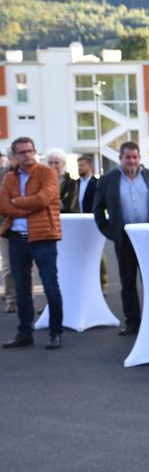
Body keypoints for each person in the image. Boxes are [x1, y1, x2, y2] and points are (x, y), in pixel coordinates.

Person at [0, 137, 63, 350]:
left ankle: (55, 333)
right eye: (22, 152)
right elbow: (3, 206)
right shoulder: (9, 178)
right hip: (17, 238)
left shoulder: (48, 173)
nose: (27, 155)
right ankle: (24, 332)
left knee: (50, 287)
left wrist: (17, 202)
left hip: (43, 237)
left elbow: (44, 199)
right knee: (21, 289)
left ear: (35, 152)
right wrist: (26, 207)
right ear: (15, 156)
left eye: (30, 151)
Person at [93, 141, 149, 336]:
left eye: (135, 157)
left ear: (139, 158)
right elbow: (97, 209)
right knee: (128, 283)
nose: (131, 161)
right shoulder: (108, 180)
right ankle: (133, 322)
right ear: (120, 159)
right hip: (124, 239)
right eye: (127, 157)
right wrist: (110, 232)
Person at [76, 154, 108, 292]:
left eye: (82, 165)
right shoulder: (75, 183)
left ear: (90, 166)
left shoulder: (98, 183)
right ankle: (85, 284)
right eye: (78, 166)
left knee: (98, 253)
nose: (79, 168)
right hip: (77, 223)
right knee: (81, 253)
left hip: (94, 222)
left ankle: (103, 283)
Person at [0, 151, 16, 313]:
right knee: (8, 265)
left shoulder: (32, 174)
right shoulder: (2, 176)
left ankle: (27, 297)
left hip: (26, 225)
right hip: (5, 225)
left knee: (27, 266)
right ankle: (11, 299)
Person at [46, 148, 77, 213]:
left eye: (56, 163)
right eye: (50, 163)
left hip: (65, 218)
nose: (53, 165)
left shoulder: (71, 182)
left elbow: (69, 204)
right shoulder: (42, 181)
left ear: (63, 164)